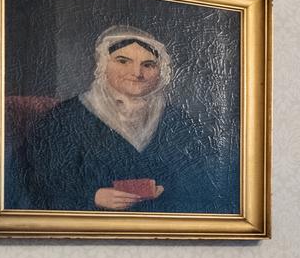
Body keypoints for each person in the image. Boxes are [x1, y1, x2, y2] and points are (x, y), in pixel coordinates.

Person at [20, 25, 232, 214]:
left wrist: (168, 189)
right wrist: (93, 197)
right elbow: (38, 180)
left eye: (148, 65)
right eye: (123, 61)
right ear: (103, 65)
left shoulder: (177, 120)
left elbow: (210, 177)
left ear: (161, 72)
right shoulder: (66, 116)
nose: (137, 73)